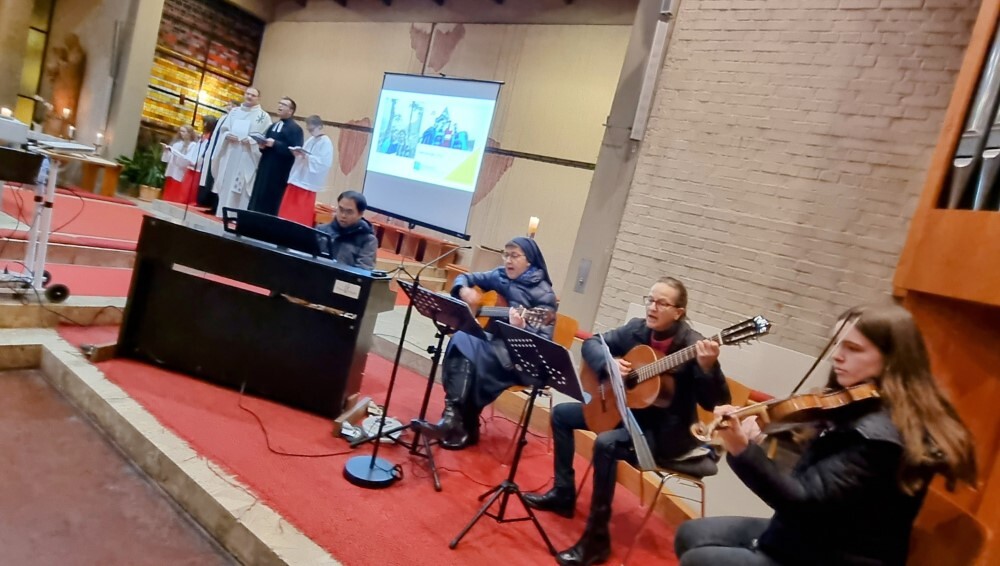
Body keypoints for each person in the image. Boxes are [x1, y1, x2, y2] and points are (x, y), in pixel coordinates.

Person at [674, 304, 978, 566]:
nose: (837, 356)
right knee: (691, 534)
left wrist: (742, 450)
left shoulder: (879, 439)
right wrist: (762, 441)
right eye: (837, 344)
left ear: (893, 359)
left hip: (836, 554)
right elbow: (820, 476)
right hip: (815, 535)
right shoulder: (857, 404)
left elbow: (803, 504)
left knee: (699, 558)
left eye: (853, 349)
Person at [524, 276, 730, 566]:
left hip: (664, 434)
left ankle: (596, 541)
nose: (652, 308)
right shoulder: (637, 329)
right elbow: (593, 343)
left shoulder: (693, 346)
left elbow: (716, 403)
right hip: (627, 414)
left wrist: (708, 368)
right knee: (561, 415)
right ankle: (563, 493)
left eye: (662, 303)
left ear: (678, 312)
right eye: (650, 300)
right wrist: (608, 363)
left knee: (606, 444)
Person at [412, 238, 558, 450]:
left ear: (530, 261)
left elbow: (543, 343)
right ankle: (457, 421)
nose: (508, 260)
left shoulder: (544, 294)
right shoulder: (500, 275)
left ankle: (458, 421)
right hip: (493, 344)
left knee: (468, 349)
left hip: (519, 359)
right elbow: (465, 277)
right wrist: (464, 290)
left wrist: (520, 327)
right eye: (506, 254)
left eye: (515, 256)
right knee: (463, 339)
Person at [210, 87, 271, 217]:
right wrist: (227, 135)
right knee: (227, 181)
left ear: (258, 98)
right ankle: (222, 212)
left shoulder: (263, 117)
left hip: (247, 154)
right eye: (248, 94)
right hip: (231, 152)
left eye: (253, 95)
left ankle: (236, 215)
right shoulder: (234, 112)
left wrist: (251, 141)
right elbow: (224, 130)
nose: (249, 97)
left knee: (240, 186)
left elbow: (264, 139)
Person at [248, 96, 303, 216]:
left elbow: (296, 151)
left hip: (279, 171)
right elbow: (266, 143)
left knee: (271, 198)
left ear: (291, 111)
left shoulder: (295, 129)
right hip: (265, 166)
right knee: (259, 192)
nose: (280, 106)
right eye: (280, 103)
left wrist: (276, 144)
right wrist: (262, 146)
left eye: (284, 105)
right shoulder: (273, 126)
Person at [277, 114, 333, 225]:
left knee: (299, 215)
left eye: (312, 129)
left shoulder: (326, 142)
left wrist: (307, 156)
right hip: (298, 178)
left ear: (320, 126)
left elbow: (324, 163)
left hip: (307, 183)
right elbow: (304, 154)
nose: (310, 132)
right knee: (286, 212)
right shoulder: (311, 139)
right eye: (308, 129)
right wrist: (297, 153)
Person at [314, 191, 378, 270]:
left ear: (360, 214)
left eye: (349, 212)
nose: (343, 215)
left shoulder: (368, 240)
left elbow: (363, 270)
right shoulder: (321, 230)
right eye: (340, 209)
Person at [198, 102, 237, 213]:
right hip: (214, 150)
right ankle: (209, 203)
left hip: (224, 152)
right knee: (213, 178)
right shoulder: (222, 118)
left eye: (232, 105)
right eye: (228, 105)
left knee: (219, 180)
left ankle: (216, 206)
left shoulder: (234, 119)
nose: (229, 107)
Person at [160, 125, 198, 203]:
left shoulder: (193, 145)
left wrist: (175, 153)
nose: (181, 133)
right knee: (168, 193)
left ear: (190, 133)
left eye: (183, 131)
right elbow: (168, 158)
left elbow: (188, 159)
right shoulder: (177, 144)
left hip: (181, 172)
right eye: (180, 131)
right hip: (172, 171)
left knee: (176, 196)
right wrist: (166, 150)